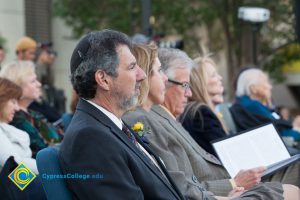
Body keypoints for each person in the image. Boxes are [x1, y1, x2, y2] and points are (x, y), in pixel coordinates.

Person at [124, 47, 300, 199]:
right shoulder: (143, 119)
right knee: (291, 188)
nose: (189, 93)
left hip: (225, 184)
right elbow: (177, 184)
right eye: (159, 71)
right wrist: (230, 187)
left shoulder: (158, 116)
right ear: (144, 77)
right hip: (220, 188)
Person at [59, 30, 185, 199]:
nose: (141, 75)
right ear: (103, 80)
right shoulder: (91, 138)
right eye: (132, 67)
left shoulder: (108, 124)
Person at [0, 61, 62, 157]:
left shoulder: (32, 113)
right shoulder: (15, 119)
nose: (39, 84)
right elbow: (43, 153)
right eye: (33, 81)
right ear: (17, 86)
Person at [231, 68, 300, 143]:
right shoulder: (253, 105)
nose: (270, 87)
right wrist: (296, 129)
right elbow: (279, 133)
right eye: (266, 82)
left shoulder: (247, 103)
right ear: (253, 88)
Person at [179, 56, 228, 156]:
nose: (220, 78)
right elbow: (226, 153)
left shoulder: (194, 111)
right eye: (214, 75)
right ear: (200, 83)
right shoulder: (201, 114)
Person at [0, 77, 38, 174]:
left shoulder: (7, 129)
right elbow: (13, 165)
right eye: (13, 102)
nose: (17, 108)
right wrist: (51, 170)